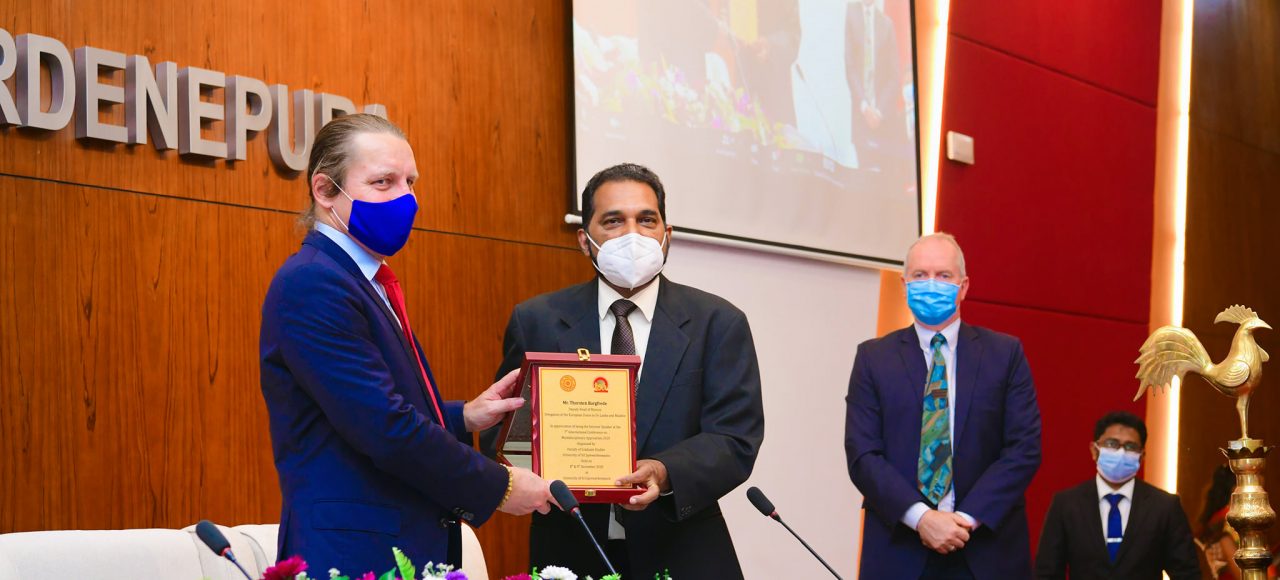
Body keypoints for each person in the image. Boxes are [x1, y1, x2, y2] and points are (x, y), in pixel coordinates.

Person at [259, 114, 552, 574]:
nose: (406, 199)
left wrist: (464, 416)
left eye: (410, 182)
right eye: (383, 182)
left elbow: (369, 409)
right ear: (325, 190)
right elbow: (385, 428)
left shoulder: (361, 279)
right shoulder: (314, 283)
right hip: (354, 554)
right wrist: (502, 486)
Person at [488, 163, 764, 579]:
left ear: (667, 235)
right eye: (613, 221)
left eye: (647, 220)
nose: (632, 235)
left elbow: (735, 437)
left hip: (684, 551)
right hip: (571, 548)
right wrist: (525, 470)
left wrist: (664, 471)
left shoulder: (718, 322)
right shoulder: (537, 320)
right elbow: (505, 429)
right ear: (585, 241)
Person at [845, 232, 1042, 580]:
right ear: (905, 285)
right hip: (899, 552)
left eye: (944, 275)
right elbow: (863, 454)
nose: (931, 284)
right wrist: (922, 518)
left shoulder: (1005, 355)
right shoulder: (873, 358)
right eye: (920, 275)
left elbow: (1023, 449)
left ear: (963, 287)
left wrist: (962, 521)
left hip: (985, 551)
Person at [1035, 411, 1199, 579]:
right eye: (1112, 444)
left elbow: (1187, 574)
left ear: (1141, 456)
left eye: (1130, 446)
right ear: (1094, 450)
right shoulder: (1066, 504)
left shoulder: (1165, 507)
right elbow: (1047, 573)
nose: (1120, 452)